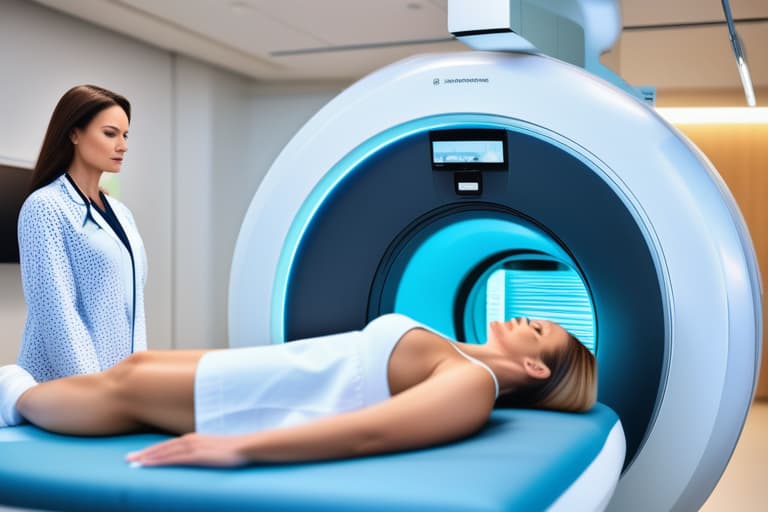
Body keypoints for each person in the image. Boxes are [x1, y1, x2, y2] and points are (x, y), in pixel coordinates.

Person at [0, 314, 596, 468]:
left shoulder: (472, 383)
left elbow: (373, 431)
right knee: (139, 363)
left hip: (269, 397)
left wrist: (242, 447)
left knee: (126, 388)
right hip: (283, 366)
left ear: (536, 370)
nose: (526, 319)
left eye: (538, 331)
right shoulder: (459, 354)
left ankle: (15, 400)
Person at [17, 85, 147, 382]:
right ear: (74, 134)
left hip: (118, 387)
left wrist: (135, 383)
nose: (123, 145)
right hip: (67, 388)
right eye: (111, 133)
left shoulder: (121, 214)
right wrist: (96, 391)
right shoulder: (45, 207)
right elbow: (57, 313)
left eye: (125, 136)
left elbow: (133, 310)